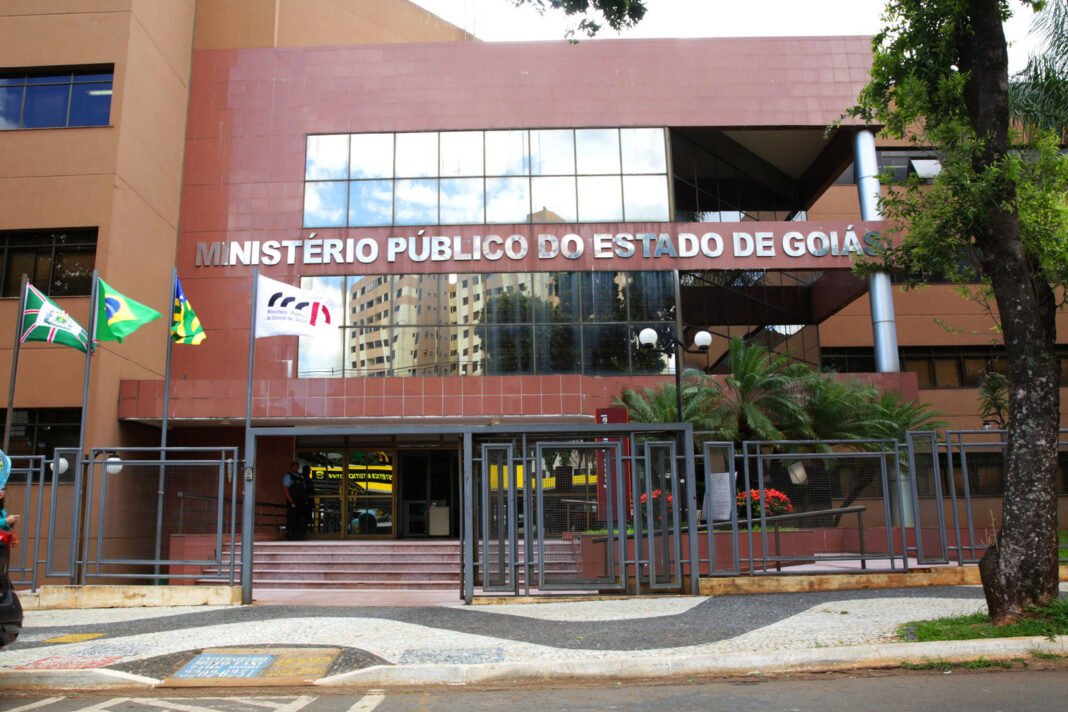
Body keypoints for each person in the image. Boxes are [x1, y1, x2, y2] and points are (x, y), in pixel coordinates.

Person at [282, 461, 309, 541]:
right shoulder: (288, 476)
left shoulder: (301, 477)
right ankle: (291, 536)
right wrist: (291, 501)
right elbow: (285, 489)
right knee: (292, 519)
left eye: (297, 467)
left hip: (301, 502)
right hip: (293, 502)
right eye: (294, 467)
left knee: (301, 519)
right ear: (291, 467)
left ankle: (299, 535)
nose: (296, 468)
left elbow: (304, 489)